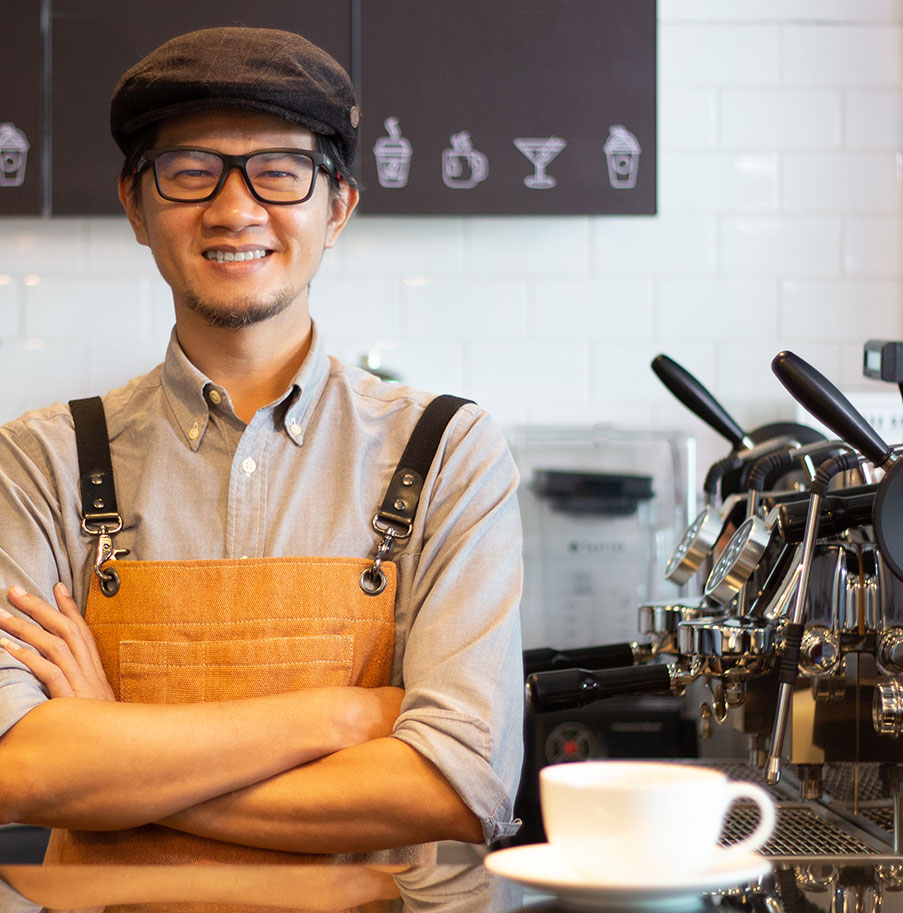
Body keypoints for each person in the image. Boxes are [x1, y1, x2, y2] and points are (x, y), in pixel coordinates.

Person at [0, 26, 524, 863]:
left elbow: (454, 782)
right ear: (136, 205)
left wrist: (113, 759)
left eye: (279, 170)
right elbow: (18, 771)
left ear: (338, 205)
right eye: (190, 171)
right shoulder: (41, 461)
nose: (236, 208)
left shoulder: (446, 452)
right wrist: (342, 716)